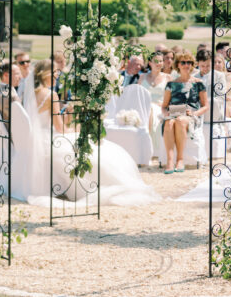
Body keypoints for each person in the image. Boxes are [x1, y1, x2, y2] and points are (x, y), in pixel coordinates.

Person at [17, 63, 157, 207]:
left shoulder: (29, 93)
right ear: (45, 75)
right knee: (95, 147)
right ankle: (104, 184)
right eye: (54, 73)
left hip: (37, 138)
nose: (57, 76)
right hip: (50, 139)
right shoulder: (51, 95)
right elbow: (60, 128)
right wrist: (77, 130)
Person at [161, 51, 208, 173]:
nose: (186, 65)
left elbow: (205, 106)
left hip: (190, 115)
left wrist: (194, 114)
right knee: (169, 123)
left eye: (189, 62)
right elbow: (164, 106)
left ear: (192, 65)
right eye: (183, 62)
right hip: (174, 112)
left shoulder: (198, 84)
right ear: (178, 65)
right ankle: (170, 161)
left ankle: (180, 159)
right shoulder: (171, 84)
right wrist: (166, 113)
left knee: (180, 121)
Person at [141, 53, 171, 160]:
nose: (159, 63)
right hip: (143, 108)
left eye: (161, 61)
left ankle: (148, 148)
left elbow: (172, 98)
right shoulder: (142, 77)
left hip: (160, 107)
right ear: (150, 63)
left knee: (152, 111)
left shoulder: (168, 78)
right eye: (156, 61)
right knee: (148, 110)